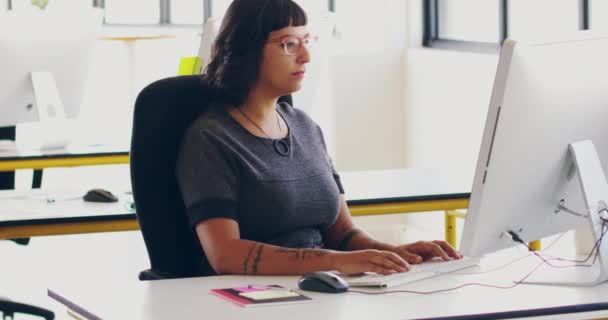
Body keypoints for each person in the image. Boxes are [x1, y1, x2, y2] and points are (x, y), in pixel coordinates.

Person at [176, 0, 462, 276]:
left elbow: (343, 234)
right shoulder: (210, 139)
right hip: (253, 297)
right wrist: (333, 262)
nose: (306, 56)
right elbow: (225, 254)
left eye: (307, 41)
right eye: (289, 44)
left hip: (318, 287)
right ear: (246, 50)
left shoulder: (305, 127)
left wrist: (395, 254)